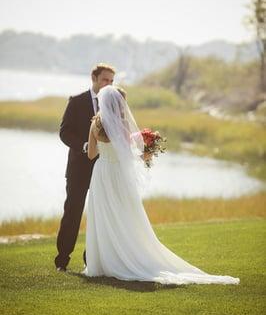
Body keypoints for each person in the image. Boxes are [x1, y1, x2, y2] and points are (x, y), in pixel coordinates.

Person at [82, 85, 240, 285]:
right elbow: (126, 155)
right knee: (125, 214)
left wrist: (104, 150)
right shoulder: (121, 125)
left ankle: (103, 263)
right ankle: (124, 257)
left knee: (104, 216)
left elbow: (90, 155)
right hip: (117, 174)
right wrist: (144, 155)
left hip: (101, 172)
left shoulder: (94, 124)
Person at [54, 64, 115, 271]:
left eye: (112, 81)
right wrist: (84, 145)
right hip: (78, 169)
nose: (109, 84)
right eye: (106, 80)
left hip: (103, 169)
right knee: (72, 211)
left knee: (99, 214)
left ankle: (92, 260)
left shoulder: (113, 105)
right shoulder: (77, 101)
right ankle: (62, 259)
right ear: (94, 78)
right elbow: (64, 132)